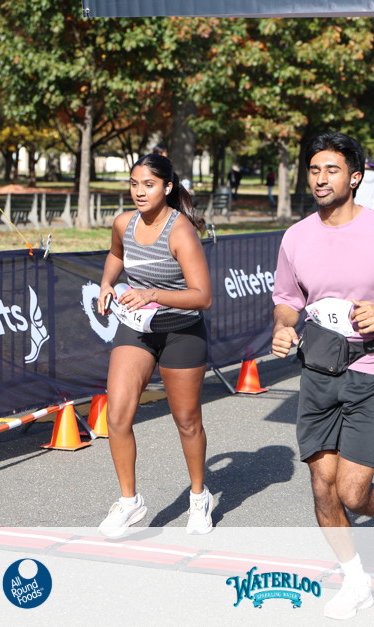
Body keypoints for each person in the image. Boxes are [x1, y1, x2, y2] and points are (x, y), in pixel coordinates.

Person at [271, 132, 374, 620]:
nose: (321, 179)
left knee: (351, 491)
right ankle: (355, 580)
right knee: (321, 484)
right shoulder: (296, 236)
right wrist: (283, 326)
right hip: (319, 370)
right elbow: (288, 299)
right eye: (315, 170)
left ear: (356, 177)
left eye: (332, 170)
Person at [96, 153, 215, 539]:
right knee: (117, 416)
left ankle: (199, 497)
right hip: (138, 329)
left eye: (148, 184)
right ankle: (129, 501)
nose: (139, 192)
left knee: (187, 421)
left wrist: (152, 294)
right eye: (134, 184)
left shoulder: (180, 231)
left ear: (167, 187)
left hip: (182, 331)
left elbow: (202, 297)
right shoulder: (123, 223)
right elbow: (116, 254)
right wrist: (106, 284)